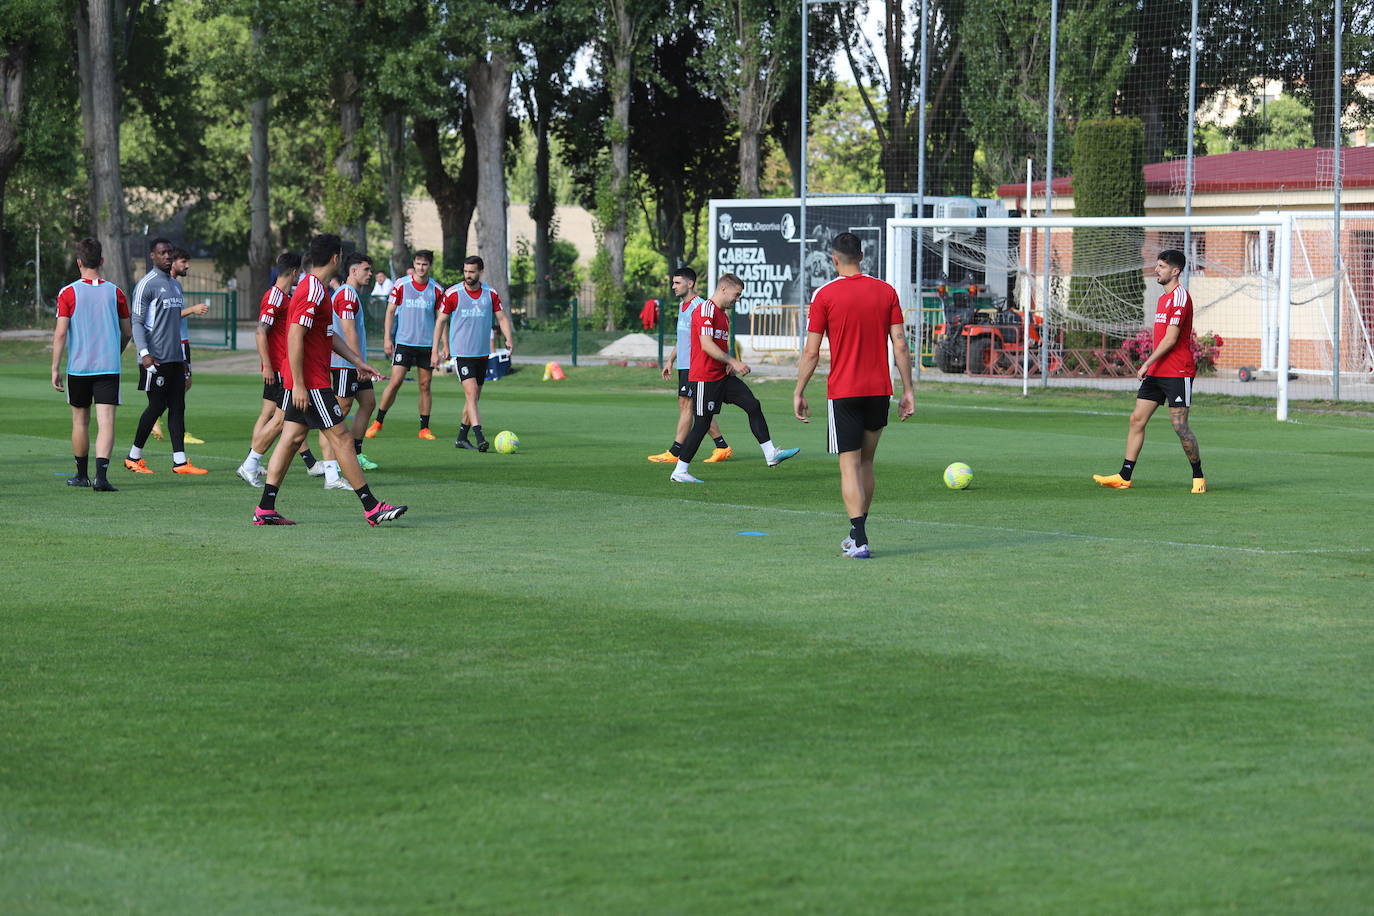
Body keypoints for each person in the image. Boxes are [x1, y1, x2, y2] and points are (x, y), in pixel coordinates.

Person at [253, 233, 407, 526]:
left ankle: (265, 508)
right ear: (336, 257)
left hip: (305, 379)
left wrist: (359, 362)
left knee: (292, 438)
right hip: (310, 383)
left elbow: (327, 335)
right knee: (343, 438)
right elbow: (294, 335)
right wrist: (299, 383)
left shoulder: (318, 289)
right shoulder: (312, 290)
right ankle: (372, 507)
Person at [793, 232, 915, 559]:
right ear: (862, 256)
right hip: (879, 391)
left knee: (849, 466)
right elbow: (901, 344)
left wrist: (799, 390)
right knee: (867, 463)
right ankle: (856, 532)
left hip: (844, 392)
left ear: (834, 259)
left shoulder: (825, 295)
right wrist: (908, 390)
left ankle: (859, 539)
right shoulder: (886, 291)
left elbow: (811, 352)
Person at [1094, 248, 1206, 493]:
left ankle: (1198, 476)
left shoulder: (1179, 298)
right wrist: (1151, 365)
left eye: (1162, 266)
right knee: (1136, 419)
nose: (1156, 270)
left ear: (1175, 271)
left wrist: (1145, 362)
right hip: (1157, 371)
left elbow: (1171, 339)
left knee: (1179, 426)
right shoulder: (1163, 299)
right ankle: (1124, 476)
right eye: (1157, 265)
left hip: (1178, 372)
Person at [669, 273, 799, 483]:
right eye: (736, 295)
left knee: (752, 405)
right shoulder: (705, 309)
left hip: (721, 376)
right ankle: (680, 471)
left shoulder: (724, 316)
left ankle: (770, 453)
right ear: (723, 289)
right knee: (702, 423)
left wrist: (728, 364)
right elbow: (706, 344)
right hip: (704, 378)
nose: (737, 299)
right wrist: (733, 361)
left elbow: (720, 345)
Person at [51, 238, 132, 492]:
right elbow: (127, 331)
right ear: (102, 261)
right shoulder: (115, 292)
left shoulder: (68, 292)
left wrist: (55, 367)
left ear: (78, 262)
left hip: (79, 367)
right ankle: (102, 478)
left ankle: (81, 475)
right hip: (108, 366)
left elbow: (61, 333)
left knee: (80, 421)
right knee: (106, 421)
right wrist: (114, 352)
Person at [124, 238, 207, 475]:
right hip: (154, 359)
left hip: (173, 358)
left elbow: (173, 324)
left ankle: (180, 462)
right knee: (156, 406)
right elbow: (137, 322)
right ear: (152, 256)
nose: (167, 256)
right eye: (163, 253)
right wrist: (144, 354)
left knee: (178, 407)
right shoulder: (146, 285)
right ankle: (133, 457)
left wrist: (181, 357)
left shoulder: (175, 285)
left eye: (170, 252)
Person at [237, 251, 317, 487]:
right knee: (277, 418)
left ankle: (254, 462)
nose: (300, 277)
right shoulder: (274, 297)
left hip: (284, 368)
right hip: (279, 369)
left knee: (280, 418)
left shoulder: (285, 296)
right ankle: (251, 463)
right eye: (300, 273)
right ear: (293, 272)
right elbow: (261, 331)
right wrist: (268, 367)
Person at [647, 267, 730, 464]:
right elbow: (683, 338)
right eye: (673, 282)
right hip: (684, 365)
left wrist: (726, 359)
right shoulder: (682, 306)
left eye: (677, 283)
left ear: (690, 283)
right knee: (692, 408)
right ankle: (722, 446)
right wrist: (671, 360)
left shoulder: (700, 306)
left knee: (689, 407)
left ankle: (676, 452)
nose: (673, 286)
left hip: (697, 366)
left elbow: (713, 337)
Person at [432, 255, 514, 451]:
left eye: (472, 272)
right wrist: (436, 350)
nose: (468, 275)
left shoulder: (490, 294)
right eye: (466, 271)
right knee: (471, 394)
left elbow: (502, 318)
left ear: (481, 272)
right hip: (462, 354)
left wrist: (509, 338)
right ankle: (479, 436)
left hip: (482, 354)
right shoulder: (453, 293)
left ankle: (461, 437)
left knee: (473, 398)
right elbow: (441, 321)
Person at [367, 250, 443, 439]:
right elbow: (390, 311)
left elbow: (442, 319)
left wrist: (441, 346)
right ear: (414, 264)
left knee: (425, 385)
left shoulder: (436, 289)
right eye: (418, 264)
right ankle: (378, 422)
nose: (421, 268)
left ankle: (424, 429)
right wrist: (387, 338)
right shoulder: (402, 284)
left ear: (430, 266)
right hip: (404, 343)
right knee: (395, 382)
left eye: (424, 264)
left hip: (426, 345)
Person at [328, 251, 381, 474]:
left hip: (355, 364)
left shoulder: (351, 294)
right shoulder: (347, 295)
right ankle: (333, 461)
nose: (370, 274)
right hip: (344, 364)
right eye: (366, 270)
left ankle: (356, 454)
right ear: (353, 271)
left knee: (368, 403)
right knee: (339, 410)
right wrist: (359, 363)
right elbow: (348, 331)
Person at [151, 247, 209, 446]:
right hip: (176, 343)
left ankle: (162, 420)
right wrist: (192, 309)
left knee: (185, 384)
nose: (187, 266)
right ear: (173, 262)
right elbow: (168, 316)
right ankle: (160, 420)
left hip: (182, 341)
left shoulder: (174, 285)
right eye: (183, 262)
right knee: (180, 386)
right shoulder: (166, 285)